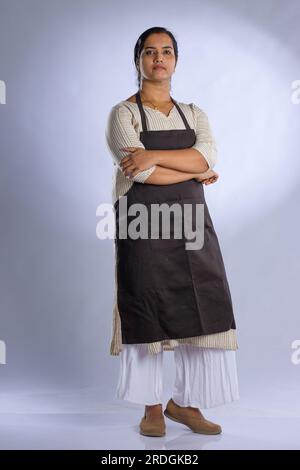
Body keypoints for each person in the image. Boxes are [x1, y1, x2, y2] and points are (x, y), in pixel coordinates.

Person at [105, 26, 239, 437]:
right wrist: (192, 168)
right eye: (149, 52)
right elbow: (139, 171)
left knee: (203, 307)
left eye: (166, 51)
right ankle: (151, 409)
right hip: (142, 227)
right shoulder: (123, 114)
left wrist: (157, 155)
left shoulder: (194, 113)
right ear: (139, 60)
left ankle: (184, 404)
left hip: (192, 228)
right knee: (145, 308)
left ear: (175, 61)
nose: (158, 58)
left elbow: (208, 154)